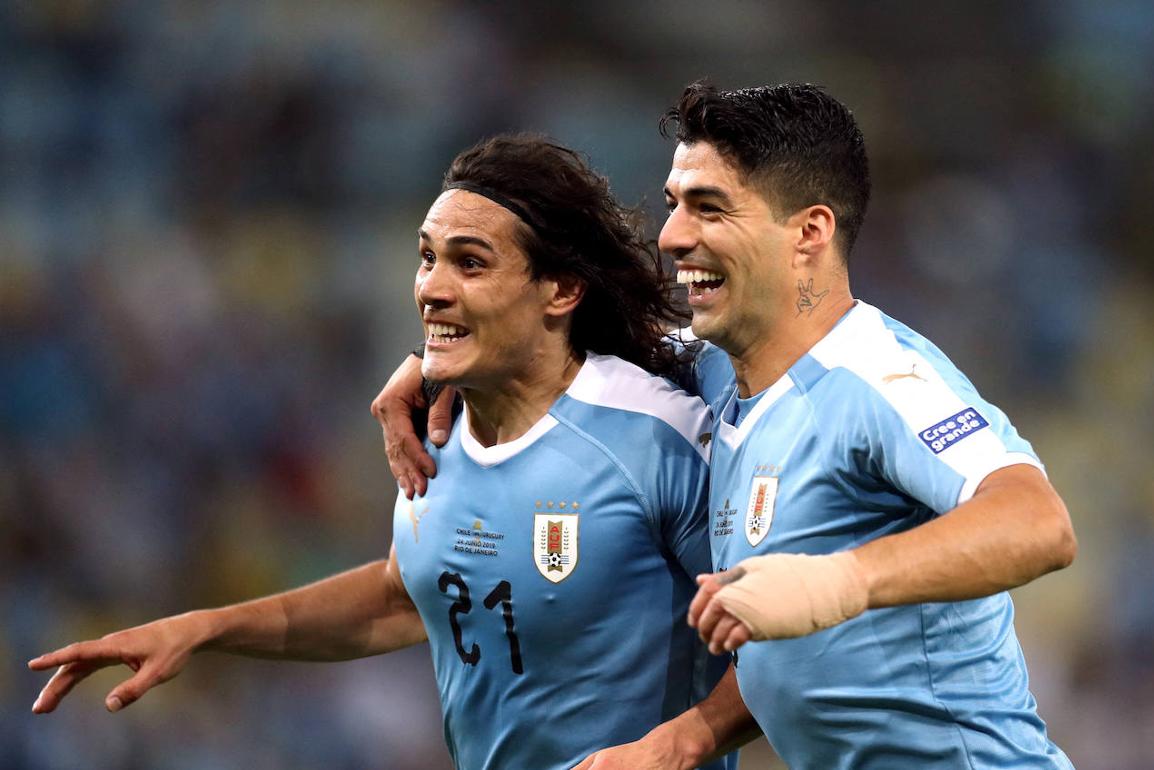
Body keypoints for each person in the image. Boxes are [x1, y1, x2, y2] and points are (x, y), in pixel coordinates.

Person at [373, 83, 1078, 770]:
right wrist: (432, 360)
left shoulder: (877, 379)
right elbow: (559, 337)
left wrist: (838, 582)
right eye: (677, 205)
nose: (674, 236)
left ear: (809, 233)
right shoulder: (714, 370)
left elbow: (1038, 523)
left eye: (709, 209)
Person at [29, 135, 751, 770]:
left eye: (470, 263)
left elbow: (783, 636)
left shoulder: (655, 436)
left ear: (559, 289)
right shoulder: (430, 430)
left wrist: (681, 741)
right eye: (427, 258)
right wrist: (202, 628)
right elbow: (405, 597)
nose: (432, 289)